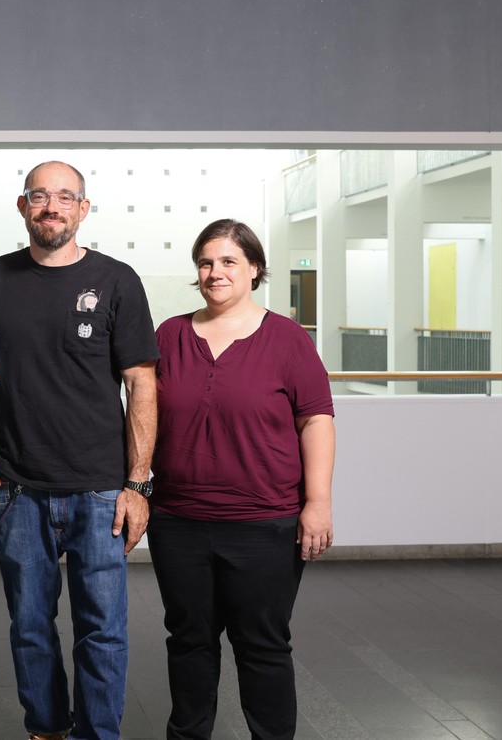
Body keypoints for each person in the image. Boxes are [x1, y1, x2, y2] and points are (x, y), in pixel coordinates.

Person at [0, 161, 158, 740]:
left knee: (104, 630)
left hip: (101, 490)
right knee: (29, 627)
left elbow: (142, 382)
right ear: (22, 207)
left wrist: (139, 483)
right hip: (18, 490)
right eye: (40, 196)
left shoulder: (118, 280)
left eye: (65, 197)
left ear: (84, 209)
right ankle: (45, 730)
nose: (52, 206)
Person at [148, 219, 335, 740]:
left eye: (229, 261)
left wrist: (317, 503)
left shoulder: (288, 338)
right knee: (188, 641)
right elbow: (143, 417)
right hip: (179, 520)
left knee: (262, 645)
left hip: (264, 525)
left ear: (254, 269)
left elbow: (316, 419)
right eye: (206, 262)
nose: (215, 272)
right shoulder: (170, 335)